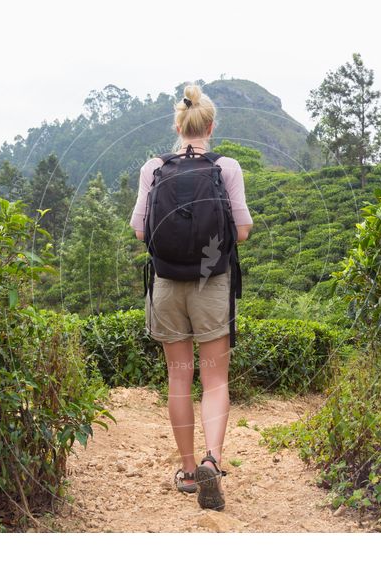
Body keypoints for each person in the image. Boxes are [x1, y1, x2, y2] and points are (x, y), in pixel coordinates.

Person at [129, 83, 253, 510]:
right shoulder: (227, 167)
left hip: (166, 286)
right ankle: (212, 463)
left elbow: (141, 230)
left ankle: (186, 471)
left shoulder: (153, 168)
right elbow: (240, 230)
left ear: (177, 126)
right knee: (215, 379)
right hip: (211, 283)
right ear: (210, 126)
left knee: (179, 377)